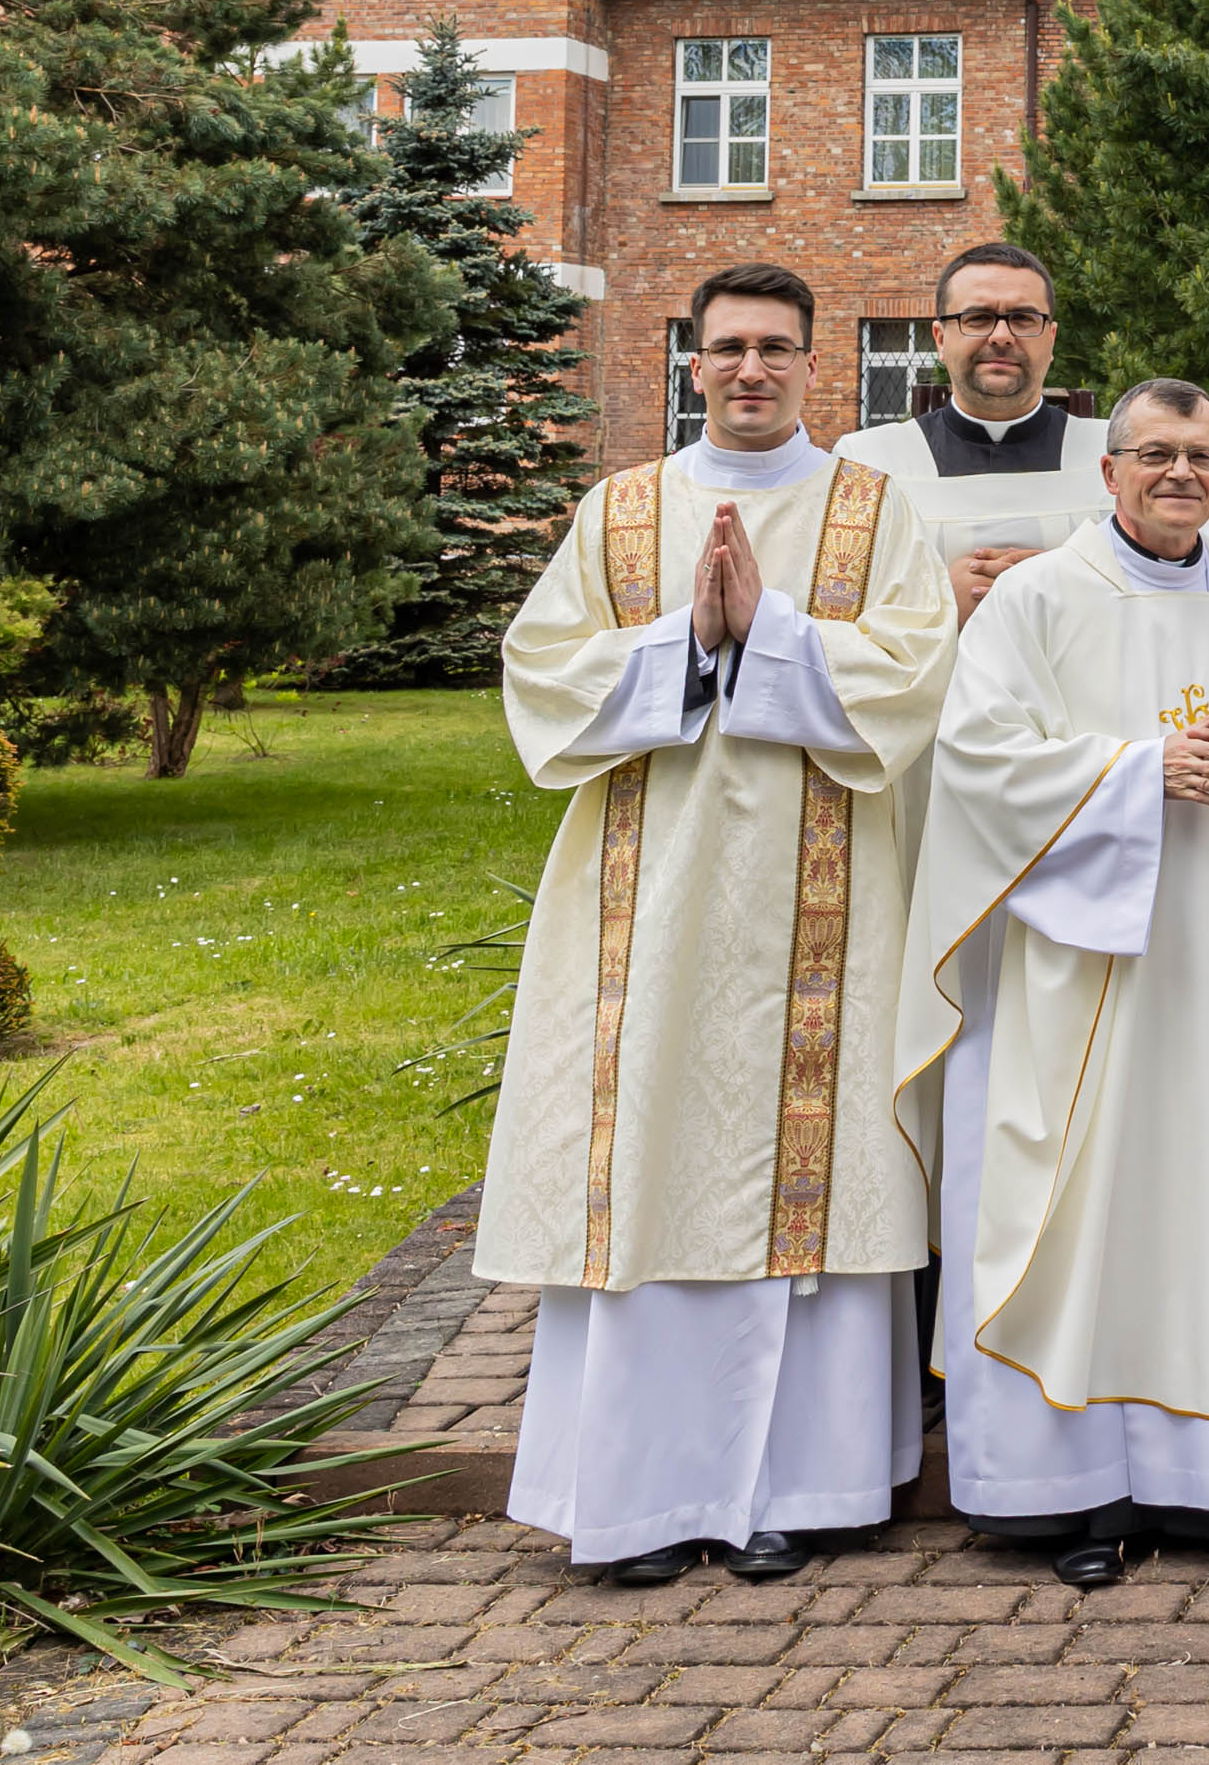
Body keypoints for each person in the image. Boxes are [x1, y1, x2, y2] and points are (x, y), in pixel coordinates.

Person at [485, 263, 958, 1585]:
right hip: (651, 901)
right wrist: (690, 642)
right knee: (648, 1154)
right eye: (730, 347)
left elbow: (918, 675)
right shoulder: (622, 510)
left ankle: (802, 1491)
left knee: (816, 1165)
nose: (752, 369)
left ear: (813, 363)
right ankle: (637, 1501)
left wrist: (773, 630)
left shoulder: (874, 510)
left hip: (827, 905)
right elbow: (540, 674)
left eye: (777, 348)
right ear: (692, 362)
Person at [891, 379, 1209, 1591]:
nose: (1179, 475)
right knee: (1072, 1210)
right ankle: (1064, 1492)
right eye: (1154, 455)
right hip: (1076, 975)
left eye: (1200, 457)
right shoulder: (1038, 600)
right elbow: (979, 759)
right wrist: (1141, 771)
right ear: (1110, 472)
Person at [837, 239, 1112, 620]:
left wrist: (1070, 589)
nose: (1001, 336)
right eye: (978, 318)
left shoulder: (1116, 454)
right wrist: (937, 604)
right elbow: (836, 618)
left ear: (1050, 339)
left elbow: (1166, 590)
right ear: (940, 339)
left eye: (1023, 318)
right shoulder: (867, 463)